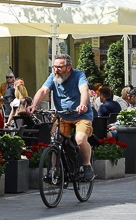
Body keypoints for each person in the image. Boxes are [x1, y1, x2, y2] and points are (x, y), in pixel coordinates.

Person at [28, 53, 95, 181]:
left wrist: (82, 104)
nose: (56, 70)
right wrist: (33, 105)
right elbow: (43, 90)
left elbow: (84, 90)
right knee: (54, 140)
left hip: (82, 115)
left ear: (68, 67)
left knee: (80, 139)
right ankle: (55, 171)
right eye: (54, 67)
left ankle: (87, 165)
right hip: (63, 116)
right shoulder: (53, 77)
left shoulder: (78, 75)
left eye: (59, 67)